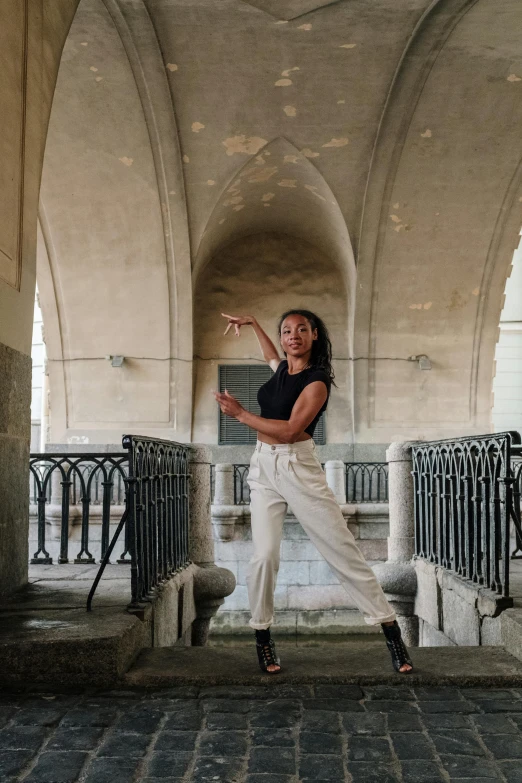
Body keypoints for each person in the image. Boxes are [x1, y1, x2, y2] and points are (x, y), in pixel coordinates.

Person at [212, 309, 413, 675]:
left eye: (301, 329)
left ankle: (391, 631)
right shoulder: (280, 371)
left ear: (314, 335)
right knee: (264, 557)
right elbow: (270, 356)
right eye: (287, 330)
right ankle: (262, 636)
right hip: (263, 467)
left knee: (342, 550)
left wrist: (240, 415)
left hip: (298, 467)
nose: (293, 336)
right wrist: (255, 323)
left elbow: (290, 430)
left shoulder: (317, 381)